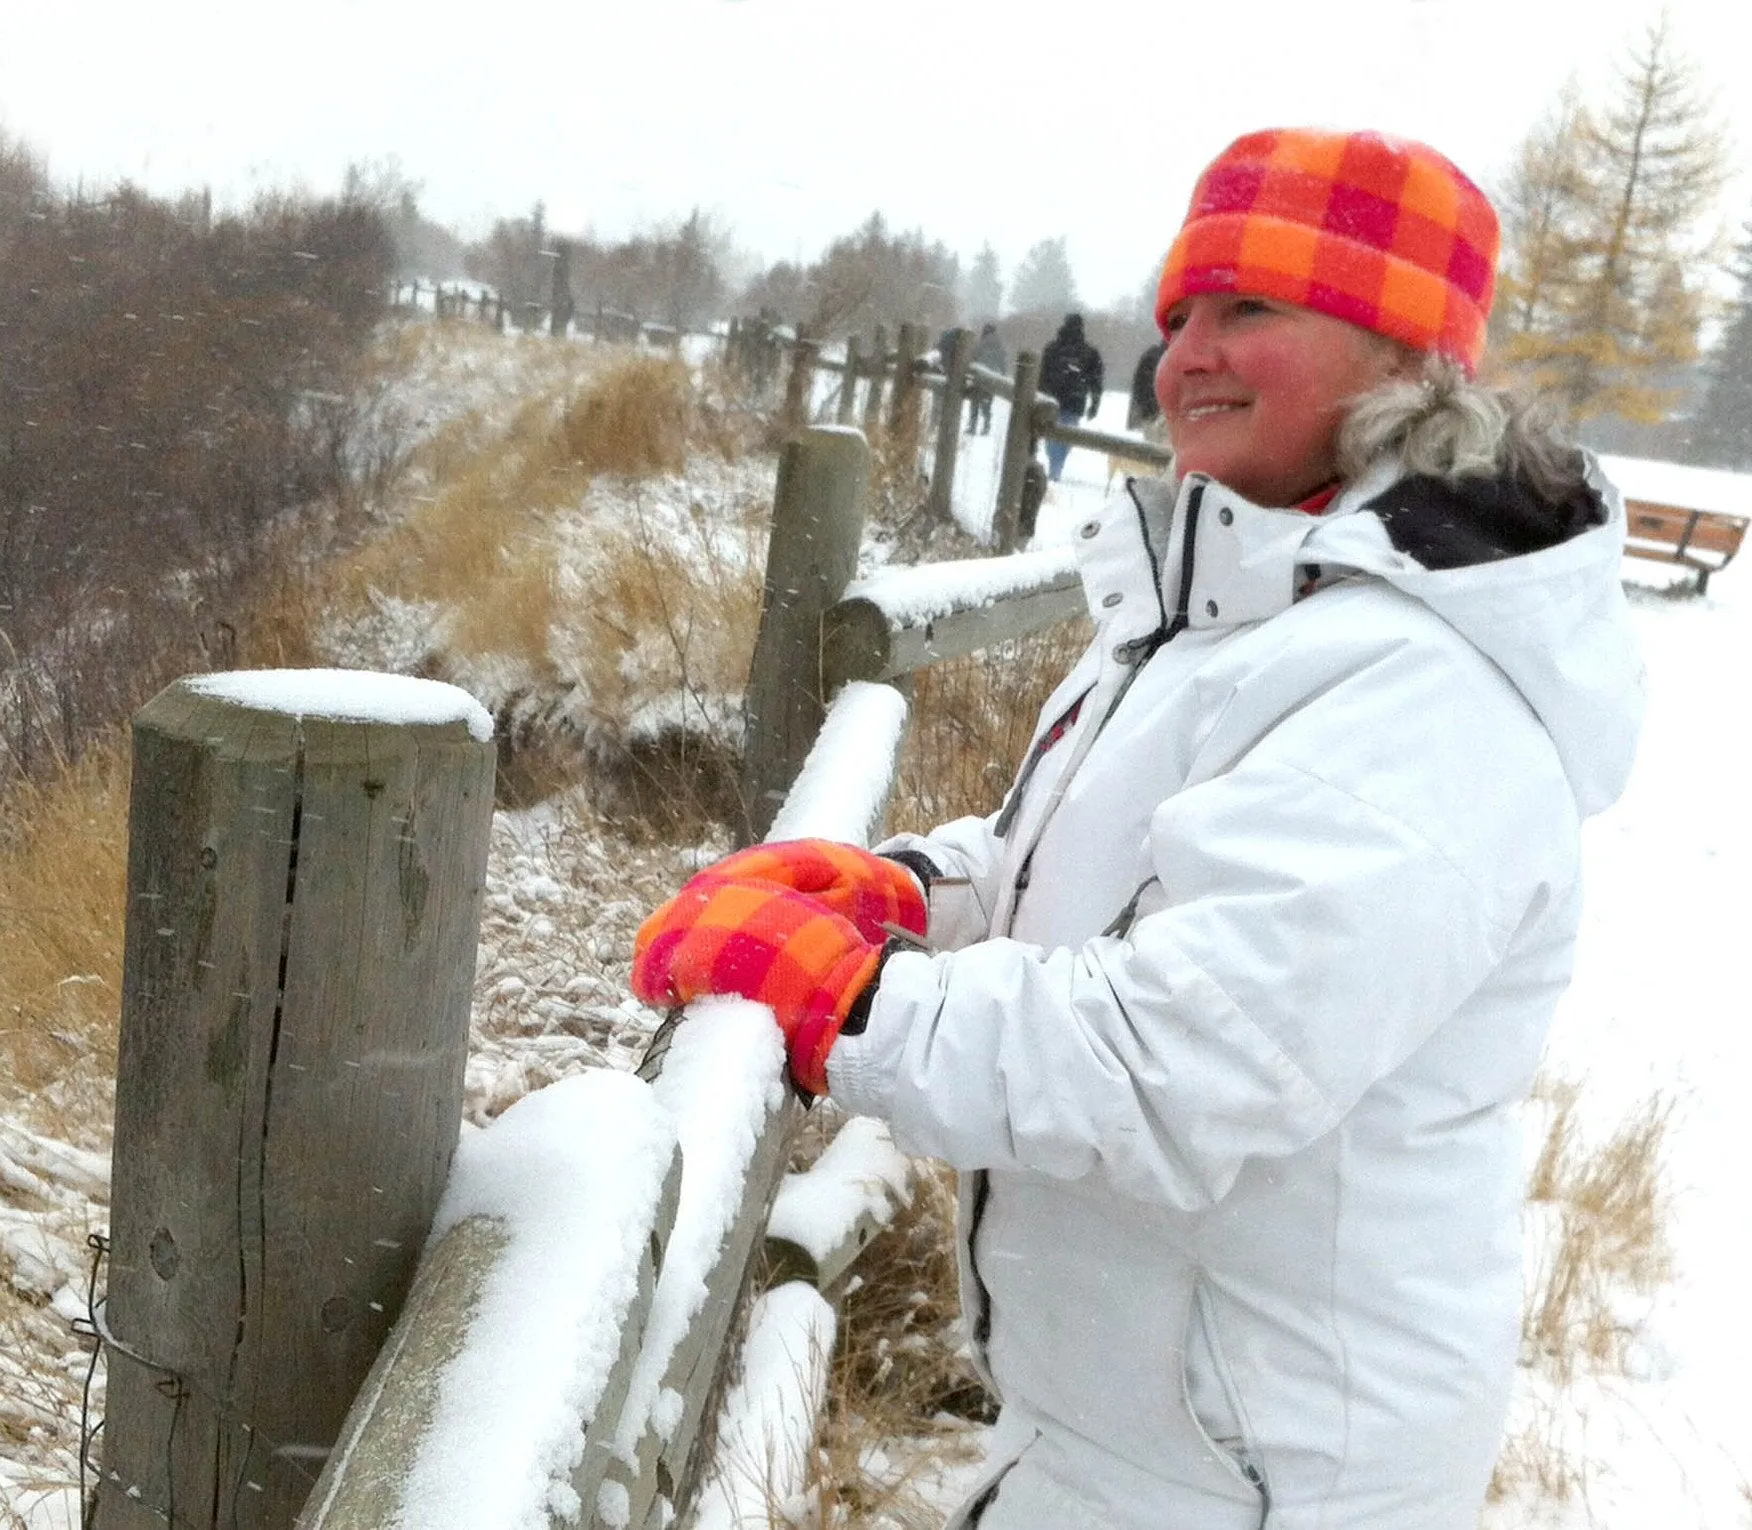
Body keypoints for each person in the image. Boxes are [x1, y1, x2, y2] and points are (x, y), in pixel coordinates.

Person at [631, 127, 1644, 1530]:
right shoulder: (1225, 603)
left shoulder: (1425, 688)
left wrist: (846, 1002)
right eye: (1178, 317)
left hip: (1270, 1474)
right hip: (1131, 1430)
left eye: (1253, 309)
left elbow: (1181, 1063)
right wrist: (917, 889)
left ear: (1404, 353)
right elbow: (1088, 874)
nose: (1187, 358)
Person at [1038, 311, 1104, 480]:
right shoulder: (1089, 352)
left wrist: (1038, 396)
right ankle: (1056, 467)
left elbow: (1041, 375)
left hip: (1051, 400)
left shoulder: (1052, 349)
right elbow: (1096, 380)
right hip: (1075, 402)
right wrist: (1094, 404)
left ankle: (1054, 466)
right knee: (1067, 437)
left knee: (1051, 434)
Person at [969, 322, 1008, 434]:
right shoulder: (999, 344)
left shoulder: (980, 343)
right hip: (992, 378)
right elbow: (1003, 363)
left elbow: (973, 358)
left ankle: (972, 426)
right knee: (987, 402)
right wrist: (1002, 375)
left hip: (979, 376)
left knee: (975, 401)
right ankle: (986, 425)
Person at [1126, 338, 1163, 435]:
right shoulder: (1154, 357)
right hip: (1154, 417)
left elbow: (1139, 387)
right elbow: (1140, 388)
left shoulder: (1153, 355)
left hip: (1155, 416)